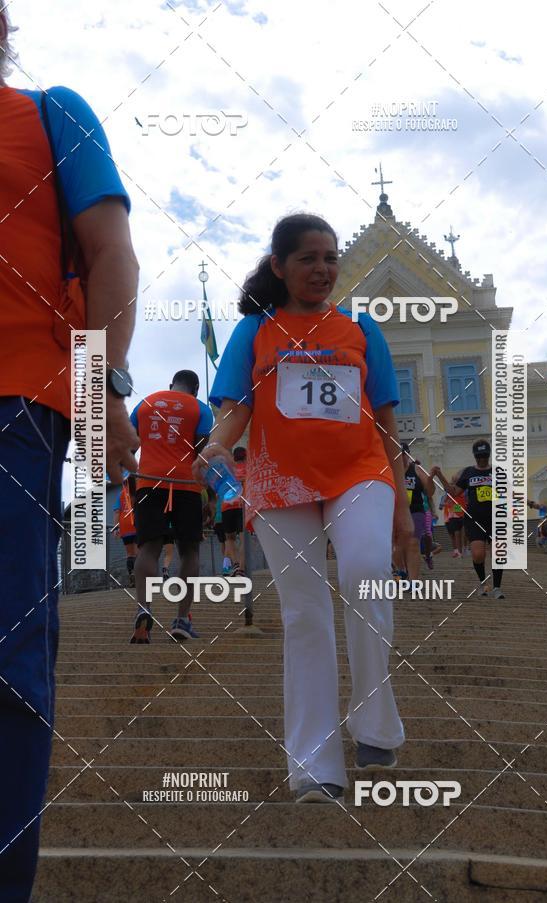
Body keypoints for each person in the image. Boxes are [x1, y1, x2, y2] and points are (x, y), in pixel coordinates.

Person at [197, 213, 414, 802]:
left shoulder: (362, 329)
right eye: (308, 259)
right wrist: (218, 442)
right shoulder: (254, 331)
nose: (322, 269)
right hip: (279, 480)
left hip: (359, 473)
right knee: (305, 613)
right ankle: (316, 762)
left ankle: (375, 726)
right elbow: (236, 409)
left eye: (330, 257)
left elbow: (389, 425)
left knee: (367, 573)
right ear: (279, 267)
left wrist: (400, 508)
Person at [0, 11, 139, 899]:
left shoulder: (51, 112)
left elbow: (109, 251)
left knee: (8, 654)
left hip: (14, 406)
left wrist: (103, 395)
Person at [129, 370, 213, 642]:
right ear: (196, 389)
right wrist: (209, 498)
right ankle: (181, 621)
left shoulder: (145, 403)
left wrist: (134, 487)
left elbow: (129, 448)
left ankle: (144, 611)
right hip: (186, 484)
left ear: (170, 385)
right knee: (189, 552)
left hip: (149, 481)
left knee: (149, 549)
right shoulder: (200, 409)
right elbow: (200, 454)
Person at [432, 439, 506, 598]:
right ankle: (483, 583)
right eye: (479, 456)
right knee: (478, 554)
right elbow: (454, 492)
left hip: (495, 517)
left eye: (484, 456)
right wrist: (440, 476)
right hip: (474, 519)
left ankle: (497, 587)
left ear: (489, 455)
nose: (482, 459)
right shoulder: (468, 473)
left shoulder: (498, 472)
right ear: (475, 456)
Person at [401, 444, 434, 578]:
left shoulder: (417, 470)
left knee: (414, 542)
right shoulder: (389, 469)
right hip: (397, 511)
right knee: (400, 544)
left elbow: (430, 492)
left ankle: (413, 581)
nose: (402, 457)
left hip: (416, 510)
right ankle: (403, 571)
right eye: (399, 454)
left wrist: (431, 479)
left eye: (405, 454)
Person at [221, 446, 247, 577]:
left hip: (227, 506)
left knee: (229, 539)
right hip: (242, 505)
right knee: (244, 539)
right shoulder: (249, 469)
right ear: (245, 457)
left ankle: (236, 565)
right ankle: (241, 569)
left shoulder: (227, 469)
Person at [113, 474, 138, 587]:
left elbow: (117, 512)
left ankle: (131, 574)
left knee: (129, 554)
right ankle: (139, 576)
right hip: (136, 524)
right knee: (139, 553)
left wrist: (116, 527)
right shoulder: (137, 491)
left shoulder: (121, 494)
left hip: (124, 526)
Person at [442, 481, 467, 558]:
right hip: (451, 518)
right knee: (455, 535)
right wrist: (448, 503)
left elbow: (464, 504)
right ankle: (458, 551)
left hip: (462, 516)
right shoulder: (447, 496)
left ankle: (464, 549)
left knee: (464, 534)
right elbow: (442, 505)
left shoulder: (462, 494)